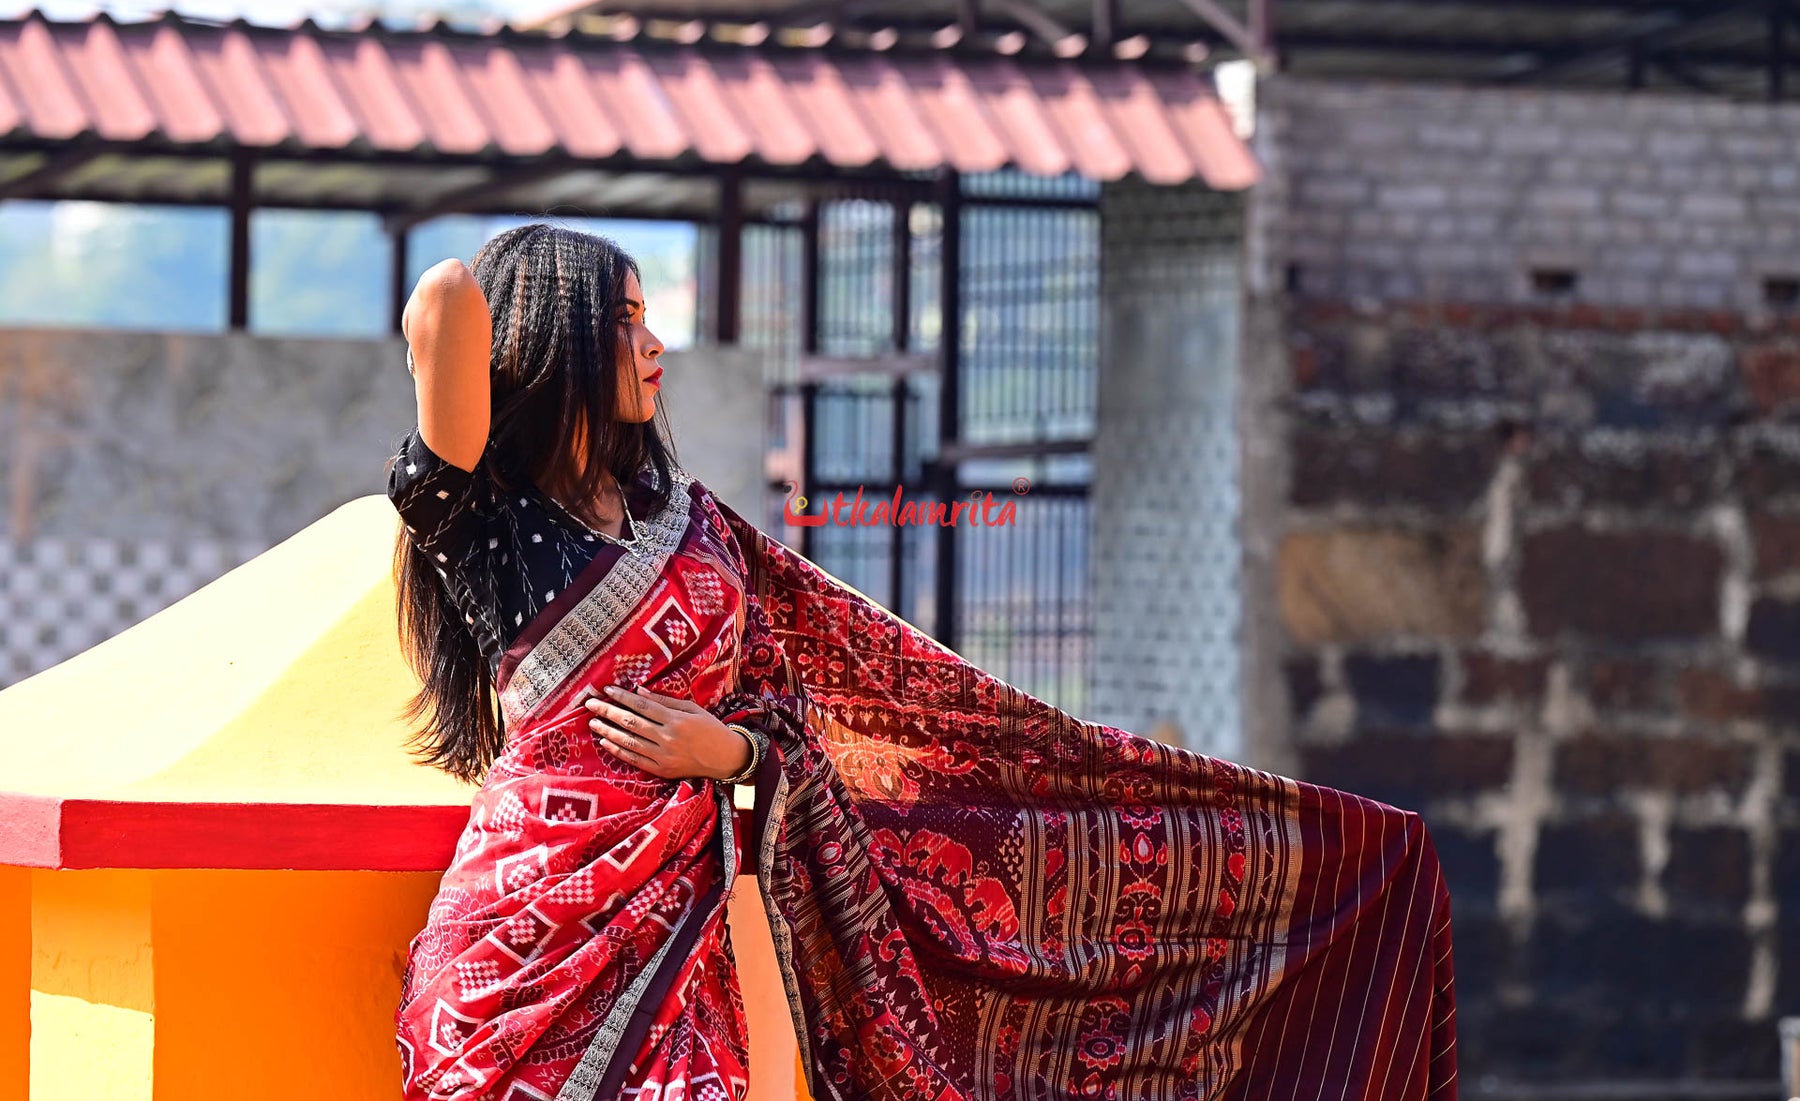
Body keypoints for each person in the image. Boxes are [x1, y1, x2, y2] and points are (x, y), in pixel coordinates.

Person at [387, 222, 1460, 1101]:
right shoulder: (487, 524)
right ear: (562, 336)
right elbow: (442, 302)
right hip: (528, 931)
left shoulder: (687, 524)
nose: (656, 343)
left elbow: (795, 704)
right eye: (624, 323)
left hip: (691, 914)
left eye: (648, 317)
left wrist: (736, 756)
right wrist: (532, 278)